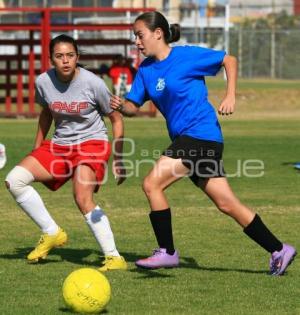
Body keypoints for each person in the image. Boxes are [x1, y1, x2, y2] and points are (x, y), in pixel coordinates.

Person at [110, 11, 297, 275]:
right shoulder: (146, 70)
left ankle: (167, 252)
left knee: (152, 184)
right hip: (192, 140)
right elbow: (133, 106)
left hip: (201, 134)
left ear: (158, 33)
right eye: (135, 37)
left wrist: (230, 94)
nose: (136, 42)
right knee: (227, 204)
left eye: (139, 35)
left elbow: (228, 59)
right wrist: (122, 105)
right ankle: (279, 250)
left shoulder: (185, 56)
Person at [5, 34, 127, 271]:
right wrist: (37, 147)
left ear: (77, 57)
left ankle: (114, 257)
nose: (65, 61)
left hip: (92, 144)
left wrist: (119, 158)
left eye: (70, 55)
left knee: (82, 197)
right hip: (60, 145)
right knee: (14, 180)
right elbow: (46, 114)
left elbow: (116, 118)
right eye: (59, 56)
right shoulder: (43, 82)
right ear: (51, 59)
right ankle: (52, 232)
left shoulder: (94, 83)